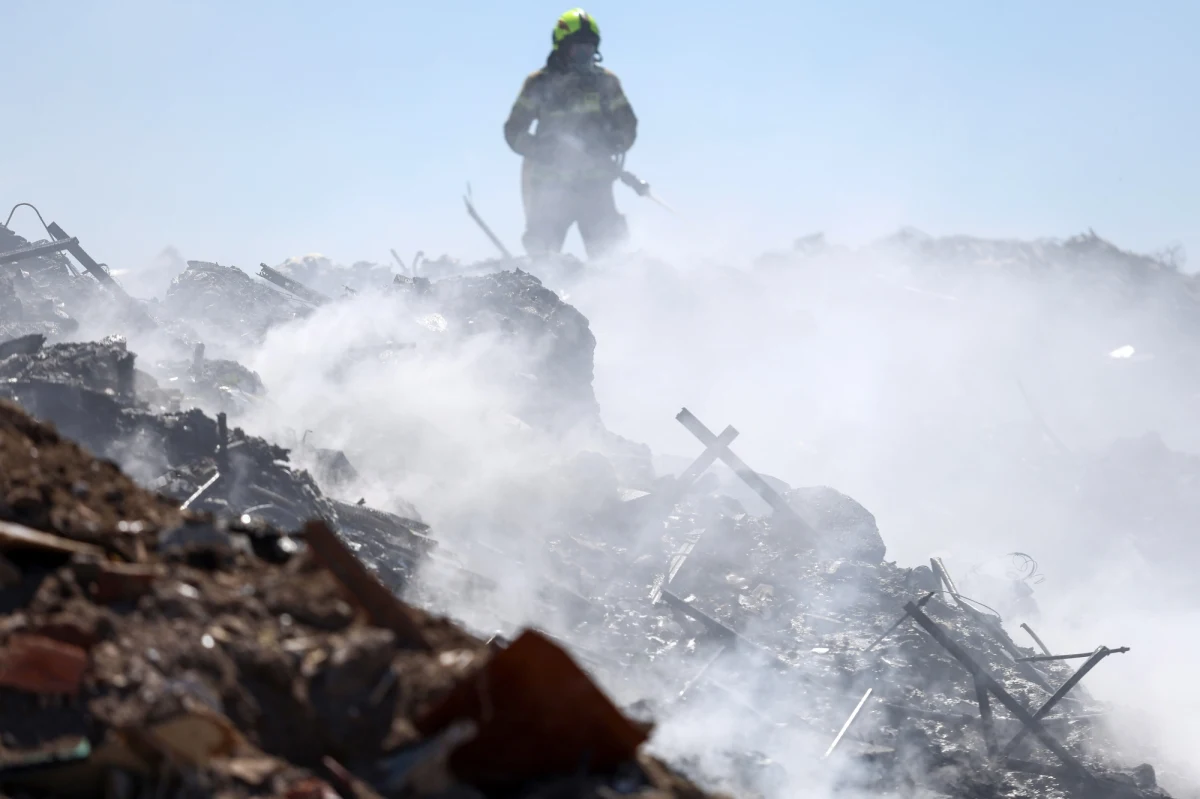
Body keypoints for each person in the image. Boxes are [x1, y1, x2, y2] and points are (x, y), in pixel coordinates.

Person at [503, 8, 638, 259]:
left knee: (613, 261)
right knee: (543, 260)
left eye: (589, 47)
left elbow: (628, 126)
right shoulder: (539, 84)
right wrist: (541, 150)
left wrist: (610, 143)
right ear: (562, 47)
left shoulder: (606, 83)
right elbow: (513, 131)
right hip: (550, 191)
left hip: (596, 188)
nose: (584, 53)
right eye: (578, 47)